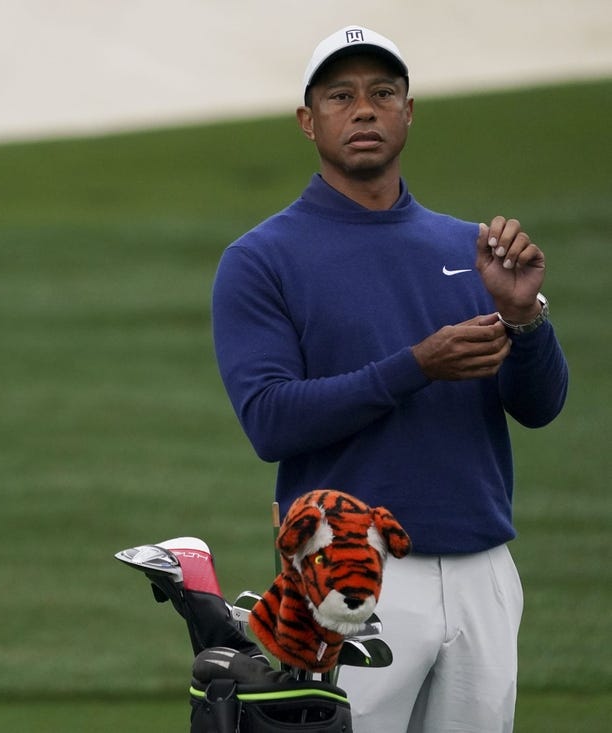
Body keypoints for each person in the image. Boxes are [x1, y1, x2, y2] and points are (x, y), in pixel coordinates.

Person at [211, 26, 569, 732]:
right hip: (347, 573)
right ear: (307, 121)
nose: (365, 110)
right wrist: (416, 365)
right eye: (341, 96)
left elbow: (541, 404)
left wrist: (524, 317)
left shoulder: (470, 249)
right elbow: (271, 420)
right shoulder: (261, 259)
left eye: (383, 93)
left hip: (483, 568)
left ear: (410, 112)